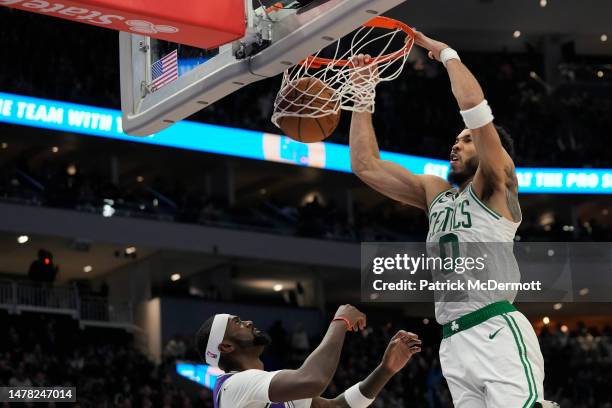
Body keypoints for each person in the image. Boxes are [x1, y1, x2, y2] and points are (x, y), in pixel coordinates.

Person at [349, 32, 558, 407]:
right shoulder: (436, 193)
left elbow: (475, 107)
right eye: (456, 140)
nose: (456, 145)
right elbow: (366, 166)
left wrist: (447, 54)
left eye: (466, 140)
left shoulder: (498, 184)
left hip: (495, 327)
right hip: (453, 339)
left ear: (492, 151)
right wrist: (363, 93)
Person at [195, 305, 421, 407]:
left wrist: (385, 370)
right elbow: (313, 380)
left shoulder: (267, 387)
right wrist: (340, 321)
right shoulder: (232, 386)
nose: (248, 322)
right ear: (225, 346)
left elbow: (336, 407)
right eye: (237, 323)